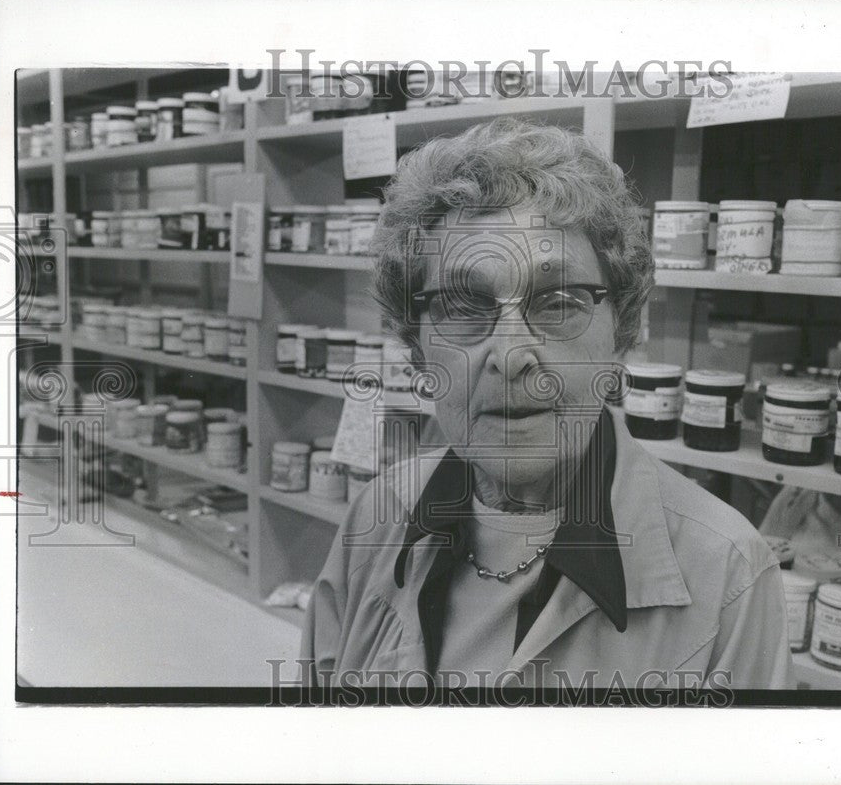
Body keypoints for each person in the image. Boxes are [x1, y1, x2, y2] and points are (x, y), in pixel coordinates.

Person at [301, 117, 792, 693]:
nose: (510, 356)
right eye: (462, 307)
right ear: (417, 351)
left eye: (558, 301)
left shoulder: (728, 573)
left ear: (621, 335)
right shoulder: (374, 517)